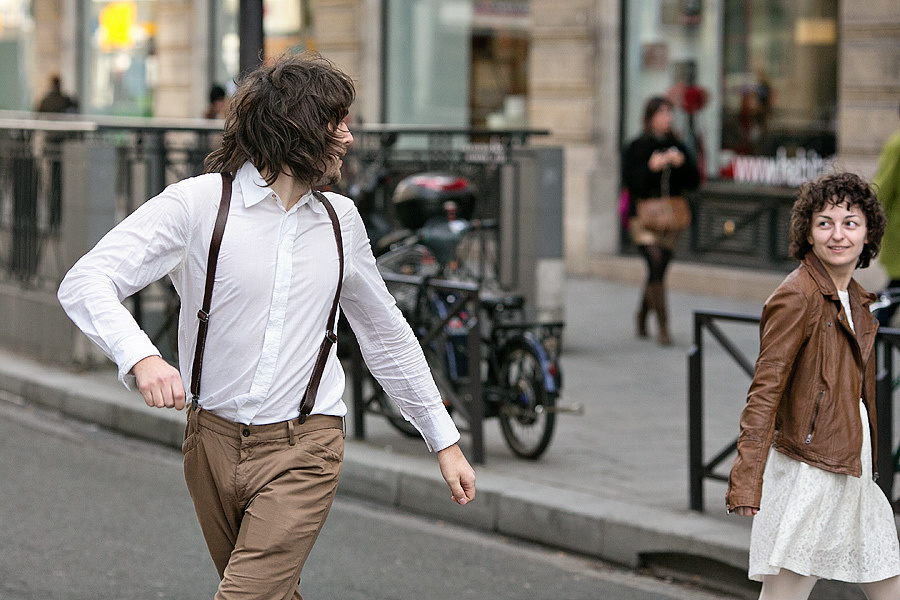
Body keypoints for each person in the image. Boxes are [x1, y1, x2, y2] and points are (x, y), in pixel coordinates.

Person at [57, 53, 476, 599]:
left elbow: (385, 334)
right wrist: (141, 355)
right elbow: (86, 280)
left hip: (306, 447)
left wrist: (443, 440)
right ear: (295, 126)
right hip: (211, 443)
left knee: (245, 596)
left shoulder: (340, 223)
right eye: (336, 123)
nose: (348, 138)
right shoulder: (200, 204)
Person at [726, 172, 900, 599]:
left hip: (852, 468)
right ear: (808, 232)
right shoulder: (797, 295)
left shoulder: (856, 299)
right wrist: (747, 477)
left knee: (889, 585)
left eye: (850, 223)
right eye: (825, 222)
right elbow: (764, 391)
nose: (837, 234)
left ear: (868, 234)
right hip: (812, 471)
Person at [622, 96, 700, 345]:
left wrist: (681, 163)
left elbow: (694, 181)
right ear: (650, 117)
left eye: (670, 113)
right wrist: (650, 167)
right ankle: (663, 327)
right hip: (643, 217)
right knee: (655, 264)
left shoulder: (677, 145)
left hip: (671, 219)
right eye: (662, 113)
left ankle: (642, 314)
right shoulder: (636, 146)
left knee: (658, 270)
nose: (667, 118)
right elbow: (630, 181)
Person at [874, 99, 900, 326]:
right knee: (895, 290)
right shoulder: (897, 145)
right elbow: (881, 190)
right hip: (899, 234)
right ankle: (871, 337)